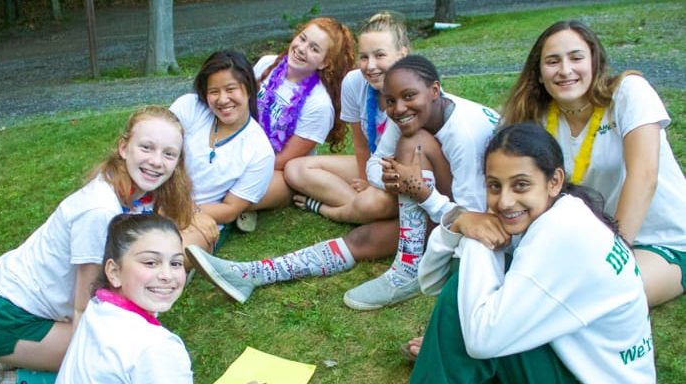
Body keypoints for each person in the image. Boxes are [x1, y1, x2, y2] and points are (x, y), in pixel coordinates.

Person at [186, 55, 498, 311]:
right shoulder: (405, 116)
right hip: (441, 201)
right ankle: (251, 274)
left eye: (408, 97)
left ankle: (407, 267)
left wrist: (421, 191)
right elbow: (376, 164)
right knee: (363, 239)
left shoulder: (464, 133)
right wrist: (390, 180)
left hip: (482, 216)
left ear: (435, 90)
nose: (399, 108)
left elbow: (471, 218)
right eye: (390, 101)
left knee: (412, 144)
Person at [411, 122, 655, 383]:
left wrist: (476, 239)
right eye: (494, 186)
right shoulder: (558, 213)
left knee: (462, 303)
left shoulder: (559, 234)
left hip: (593, 375)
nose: (504, 201)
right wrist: (458, 223)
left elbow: (481, 340)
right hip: (579, 358)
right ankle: (445, 357)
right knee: (463, 301)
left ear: (554, 182)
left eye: (521, 185)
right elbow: (430, 281)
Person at [0, 106, 193, 372]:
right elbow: (86, 308)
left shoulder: (137, 193)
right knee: (117, 362)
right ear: (123, 147)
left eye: (168, 154)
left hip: (23, 306)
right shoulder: (100, 210)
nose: (156, 161)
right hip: (6, 314)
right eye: (147, 148)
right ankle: (4, 371)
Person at [502, 19, 686, 307]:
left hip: (663, 240)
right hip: (590, 243)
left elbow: (644, 175)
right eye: (552, 61)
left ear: (595, 62)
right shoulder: (537, 119)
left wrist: (611, 256)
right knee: (522, 281)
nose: (565, 70)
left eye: (576, 58)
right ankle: (460, 335)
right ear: (538, 73)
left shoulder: (628, 93)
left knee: (596, 300)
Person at [285, 11, 409, 224]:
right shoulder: (354, 82)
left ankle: (327, 209)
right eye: (364, 57)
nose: (370, 66)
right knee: (295, 168)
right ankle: (363, 209)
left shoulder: (415, 90)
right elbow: (361, 145)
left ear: (402, 54)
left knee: (373, 202)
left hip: (405, 174)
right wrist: (365, 179)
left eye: (380, 55)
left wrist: (377, 184)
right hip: (374, 164)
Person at [237, 17, 355, 231]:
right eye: (302, 39)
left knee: (234, 188)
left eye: (314, 48)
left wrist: (239, 166)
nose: (301, 49)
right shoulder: (267, 64)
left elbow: (284, 159)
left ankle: (243, 206)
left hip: (279, 171)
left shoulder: (318, 105)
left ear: (324, 62)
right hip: (244, 149)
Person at [56, 214, 192, 383]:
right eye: (150, 262)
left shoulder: (98, 306)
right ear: (114, 272)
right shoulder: (158, 349)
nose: (167, 275)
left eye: (176, 263)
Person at [170, 50, 275, 252]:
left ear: (249, 89)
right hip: (160, 196)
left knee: (167, 255)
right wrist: (177, 208)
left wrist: (190, 213)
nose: (223, 99)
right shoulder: (189, 107)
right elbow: (155, 150)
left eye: (230, 89)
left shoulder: (260, 152)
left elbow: (230, 210)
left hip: (202, 217)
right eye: (214, 91)